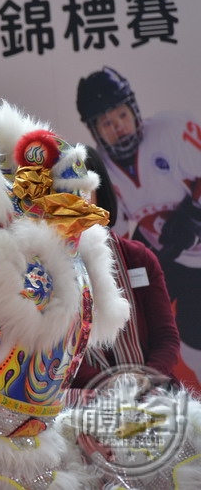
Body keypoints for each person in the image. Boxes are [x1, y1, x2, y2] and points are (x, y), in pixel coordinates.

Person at [76, 66, 201, 382]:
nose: (117, 127)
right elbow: (111, 238)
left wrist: (193, 212)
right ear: (95, 130)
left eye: (120, 115)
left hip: (189, 248)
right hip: (172, 258)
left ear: (133, 110)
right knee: (142, 317)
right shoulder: (99, 168)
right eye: (106, 122)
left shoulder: (173, 130)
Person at [69, 145, 180, 398]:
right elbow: (54, 352)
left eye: (83, 189)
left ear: (100, 191)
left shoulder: (138, 257)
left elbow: (167, 338)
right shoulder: (45, 269)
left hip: (152, 390)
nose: (76, 199)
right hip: (87, 397)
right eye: (65, 191)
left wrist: (146, 378)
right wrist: (108, 385)